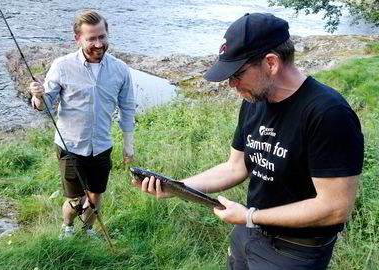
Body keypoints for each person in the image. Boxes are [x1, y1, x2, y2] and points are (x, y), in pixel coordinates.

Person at [133, 13, 364, 269]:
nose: (231, 84)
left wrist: (251, 216)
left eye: (237, 74)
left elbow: (335, 207)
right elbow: (236, 166)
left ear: (271, 63)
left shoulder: (327, 114)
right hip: (248, 232)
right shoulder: (254, 101)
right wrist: (176, 187)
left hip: (295, 251)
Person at [30, 10, 135, 238]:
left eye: (102, 37)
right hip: (70, 145)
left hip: (102, 146)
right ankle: (67, 228)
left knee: (96, 196)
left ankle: (87, 231)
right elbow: (45, 104)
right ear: (77, 39)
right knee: (75, 199)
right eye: (91, 39)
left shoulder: (120, 69)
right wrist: (38, 96)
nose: (99, 44)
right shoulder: (61, 65)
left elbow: (127, 108)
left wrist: (128, 145)